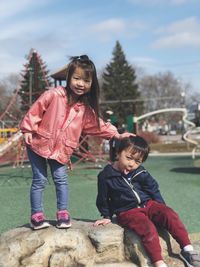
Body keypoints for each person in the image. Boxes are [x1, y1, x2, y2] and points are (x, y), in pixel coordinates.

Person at [20, 55, 132, 230]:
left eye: (86, 80)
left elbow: (98, 125)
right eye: (77, 78)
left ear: (91, 84)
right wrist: (27, 129)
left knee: (61, 179)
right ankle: (36, 215)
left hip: (62, 150)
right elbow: (36, 110)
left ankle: (63, 213)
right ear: (69, 78)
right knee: (39, 180)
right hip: (38, 142)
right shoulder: (54, 95)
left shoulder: (84, 110)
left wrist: (116, 135)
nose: (81, 84)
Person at [94, 136, 200, 267]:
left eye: (137, 161)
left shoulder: (140, 171)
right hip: (128, 211)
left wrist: (160, 207)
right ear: (118, 153)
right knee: (148, 228)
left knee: (169, 214)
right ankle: (158, 261)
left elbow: (152, 188)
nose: (132, 164)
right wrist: (106, 216)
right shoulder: (106, 176)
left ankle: (187, 249)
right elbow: (103, 198)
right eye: (128, 158)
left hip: (148, 204)